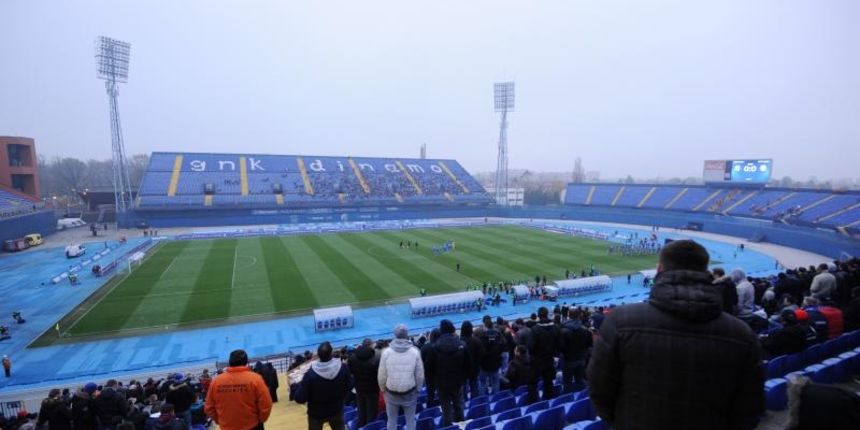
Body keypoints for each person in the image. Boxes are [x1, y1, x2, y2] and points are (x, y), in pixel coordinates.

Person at [587, 239, 764, 430]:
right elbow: (750, 408)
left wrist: (622, 421)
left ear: (659, 268)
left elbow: (599, 390)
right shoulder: (742, 334)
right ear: (707, 272)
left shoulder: (620, 321)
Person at [205, 349, 272, 430]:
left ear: (229, 362)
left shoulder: (216, 381)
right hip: (253, 425)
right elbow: (266, 403)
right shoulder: (255, 379)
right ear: (246, 362)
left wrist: (220, 421)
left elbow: (209, 407)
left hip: (227, 426)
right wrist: (261, 419)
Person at [294, 342, 353, 430]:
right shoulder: (343, 367)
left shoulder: (310, 375)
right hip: (336, 409)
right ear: (331, 353)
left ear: (318, 355)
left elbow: (299, 398)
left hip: (316, 413)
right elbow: (350, 386)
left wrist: (297, 385)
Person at [378, 324, 425, 430]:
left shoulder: (386, 352)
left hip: (392, 393)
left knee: (392, 421)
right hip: (408, 393)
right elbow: (420, 375)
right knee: (410, 420)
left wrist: (383, 389)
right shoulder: (415, 351)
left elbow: (382, 375)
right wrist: (418, 389)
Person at [426, 320, 470, 426]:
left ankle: (449, 426)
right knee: (458, 406)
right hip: (457, 382)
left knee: (446, 410)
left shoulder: (434, 348)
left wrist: (432, 383)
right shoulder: (462, 345)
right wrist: (463, 379)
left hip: (442, 384)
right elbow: (468, 365)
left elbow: (429, 369)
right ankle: (461, 425)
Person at [348, 339, 380, 428]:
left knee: (361, 413)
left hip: (359, 389)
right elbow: (379, 376)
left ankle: (362, 426)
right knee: (371, 414)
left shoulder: (352, 358)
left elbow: (351, 373)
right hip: (373, 390)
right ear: (370, 346)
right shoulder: (376, 359)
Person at [559, 308, 592, 394]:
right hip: (581, 358)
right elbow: (589, 344)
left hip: (568, 359)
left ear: (569, 315)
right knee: (580, 380)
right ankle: (582, 397)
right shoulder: (585, 329)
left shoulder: (563, 330)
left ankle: (568, 400)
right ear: (579, 315)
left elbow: (561, 347)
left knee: (567, 383)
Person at [530, 306, 560, 400]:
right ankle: (548, 400)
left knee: (533, 383)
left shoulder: (535, 329)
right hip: (550, 359)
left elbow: (531, 346)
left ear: (539, 316)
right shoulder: (555, 327)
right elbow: (559, 344)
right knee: (548, 381)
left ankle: (534, 402)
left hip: (538, 360)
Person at [459, 321, 483, 400]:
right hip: (474, 368)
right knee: (474, 385)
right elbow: (480, 355)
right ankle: (475, 401)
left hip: (463, 369)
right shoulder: (477, 341)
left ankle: (465, 401)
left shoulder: (459, 342)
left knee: (463, 387)